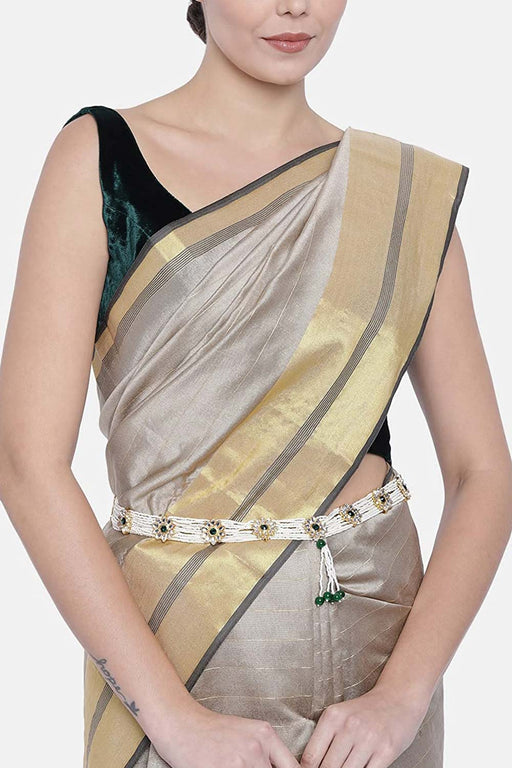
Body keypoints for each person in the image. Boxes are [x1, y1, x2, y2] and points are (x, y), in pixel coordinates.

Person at [0, 1, 510, 767]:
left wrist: (403, 697)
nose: (294, 5)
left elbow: (482, 472)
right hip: (174, 653)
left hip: (376, 669)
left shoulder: (402, 194)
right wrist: (173, 720)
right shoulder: (100, 160)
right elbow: (26, 465)